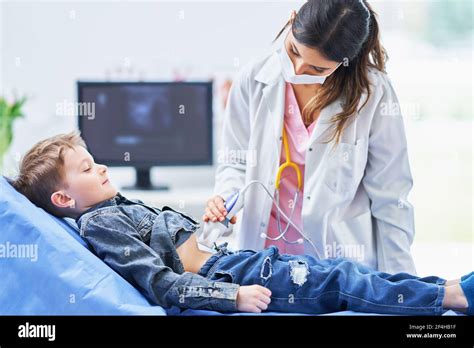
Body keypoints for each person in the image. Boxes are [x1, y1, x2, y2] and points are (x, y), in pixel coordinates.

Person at [10, 132, 473, 315]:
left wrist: (210, 230)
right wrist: (231, 296)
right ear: (63, 197)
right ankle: (449, 295)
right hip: (230, 276)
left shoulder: (114, 211)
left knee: (341, 274)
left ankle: (445, 290)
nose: (103, 168)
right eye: (88, 169)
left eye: (96, 161)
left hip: (233, 261)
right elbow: (164, 284)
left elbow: (180, 249)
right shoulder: (100, 227)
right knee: (340, 280)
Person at [204, 0, 417, 274]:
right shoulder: (252, 80)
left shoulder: (373, 93)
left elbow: (391, 198)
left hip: (340, 265)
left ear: (344, 62)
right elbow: (235, 162)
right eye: (293, 51)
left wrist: (402, 286)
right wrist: (226, 198)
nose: (297, 69)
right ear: (292, 20)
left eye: (317, 70)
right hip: (266, 261)